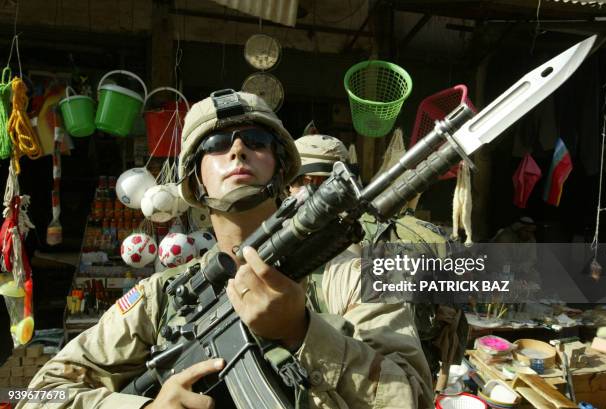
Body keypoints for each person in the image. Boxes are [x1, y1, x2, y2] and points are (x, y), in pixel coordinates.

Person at [19, 91, 433, 409]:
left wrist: (302, 331)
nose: (237, 150)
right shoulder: (163, 295)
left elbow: (414, 398)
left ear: (280, 167)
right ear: (195, 182)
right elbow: (39, 395)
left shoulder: (353, 276)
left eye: (255, 140)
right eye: (216, 144)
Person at [290, 133, 467, 385]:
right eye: (292, 183)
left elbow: (379, 360)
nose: (293, 192)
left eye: (305, 182)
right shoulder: (295, 236)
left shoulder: (371, 245)